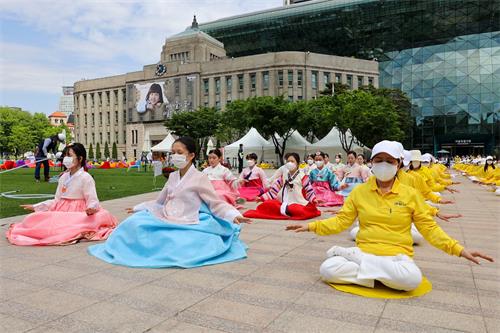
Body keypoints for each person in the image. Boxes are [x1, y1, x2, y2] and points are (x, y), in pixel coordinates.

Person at [286, 140, 493, 291]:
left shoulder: (410, 194)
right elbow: (342, 221)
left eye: (389, 160)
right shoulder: (360, 192)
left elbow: (429, 229)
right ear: (371, 163)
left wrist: (458, 249)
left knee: (412, 279)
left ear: (398, 164)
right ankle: (373, 269)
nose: (383, 164)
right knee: (328, 269)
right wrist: (312, 226)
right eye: (379, 160)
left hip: (397, 256)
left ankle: (359, 263)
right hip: (366, 249)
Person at [88, 137, 250, 268]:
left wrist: (233, 214)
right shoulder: (173, 176)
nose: (175, 156)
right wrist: (139, 207)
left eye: (179, 152)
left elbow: (215, 203)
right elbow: (159, 201)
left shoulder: (200, 178)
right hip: (165, 214)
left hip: (187, 219)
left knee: (179, 242)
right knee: (133, 223)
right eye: (173, 152)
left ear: (191, 155)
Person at [7, 143, 117, 246]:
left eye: (69, 155)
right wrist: (37, 206)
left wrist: (91, 208)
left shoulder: (85, 177)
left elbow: (92, 199)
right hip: (61, 209)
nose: (66, 158)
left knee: (64, 226)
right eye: (65, 155)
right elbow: (56, 200)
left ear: (80, 158)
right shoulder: (63, 177)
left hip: (78, 211)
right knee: (32, 219)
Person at [244, 152, 321, 220]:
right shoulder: (284, 175)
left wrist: (314, 199)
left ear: (297, 163)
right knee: (266, 205)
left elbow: (309, 189)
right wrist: (262, 198)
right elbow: (274, 189)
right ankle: (285, 210)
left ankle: (288, 210)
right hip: (283, 201)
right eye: (288, 161)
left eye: (292, 161)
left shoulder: (302, 176)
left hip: (297, 202)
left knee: (298, 210)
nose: (289, 163)